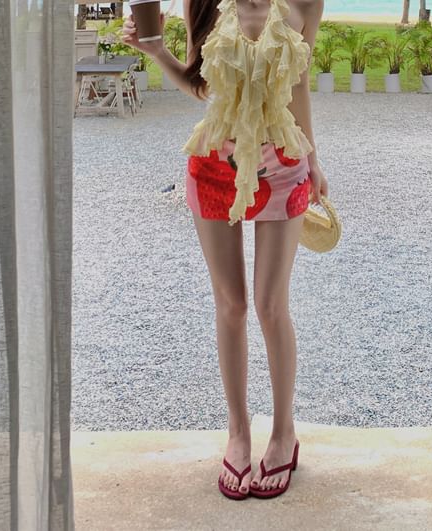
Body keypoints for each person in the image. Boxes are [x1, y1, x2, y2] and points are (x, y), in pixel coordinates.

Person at [121, 0, 328, 500]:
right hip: (213, 165)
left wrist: (314, 160)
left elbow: (299, 84)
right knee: (231, 305)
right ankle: (238, 433)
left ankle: (283, 433)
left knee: (271, 306)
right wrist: (155, 51)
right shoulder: (204, 3)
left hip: (283, 163)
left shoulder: (304, 3)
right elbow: (201, 87)